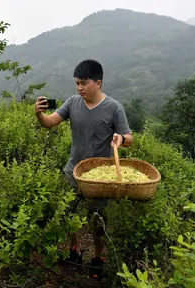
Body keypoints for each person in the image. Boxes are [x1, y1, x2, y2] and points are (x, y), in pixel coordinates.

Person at [34, 59, 133, 278]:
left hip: (99, 178)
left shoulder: (114, 107)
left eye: (84, 83)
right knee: (68, 213)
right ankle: (74, 250)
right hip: (73, 171)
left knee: (97, 220)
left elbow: (129, 137)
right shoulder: (72, 103)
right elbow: (50, 122)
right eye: (77, 83)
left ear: (98, 83)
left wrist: (120, 139)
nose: (79, 88)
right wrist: (40, 114)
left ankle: (98, 258)